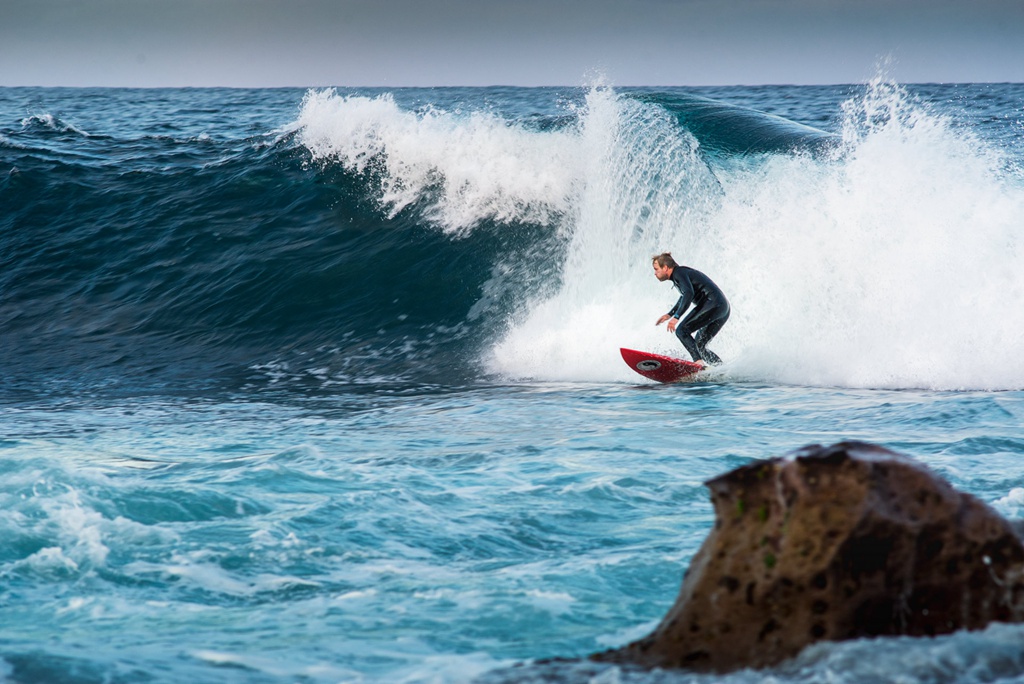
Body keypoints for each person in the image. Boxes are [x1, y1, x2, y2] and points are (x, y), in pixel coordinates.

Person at [652, 252, 729, 365]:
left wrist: (677, 317)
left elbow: (688, 293)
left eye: (656, 269)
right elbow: (684, 295)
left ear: (665, 268)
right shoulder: (681, 273)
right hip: (723, 308)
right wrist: (670, 314)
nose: (655, 273)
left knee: (682, 331)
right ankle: (721, 369)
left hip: (712, 304)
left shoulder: (679, 273)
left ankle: (698, 363)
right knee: (699, 345)